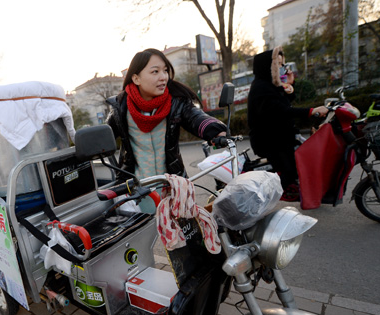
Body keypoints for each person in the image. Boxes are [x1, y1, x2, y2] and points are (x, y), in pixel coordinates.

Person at [106, 48, 227, 185]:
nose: (163, 77)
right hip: (135, 190)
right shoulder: (120, 106)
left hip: (173, 185)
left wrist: (214, 129)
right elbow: (102, 138)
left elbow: (195, 116)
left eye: (165, 70)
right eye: (155, 71)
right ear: (136, 78)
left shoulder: (176, 101)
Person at [247, 46, 328, 201]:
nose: (282, 68)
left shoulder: (270, 85)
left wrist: (291, 85)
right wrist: (311, 111)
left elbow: (285, 103)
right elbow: (281, 110)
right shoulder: (260, 88)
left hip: (281, 136)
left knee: (302, 161)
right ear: (268, 67)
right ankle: (265, 200)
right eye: (278, 64)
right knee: (289, 171)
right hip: (269, 140)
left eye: (282, 64)